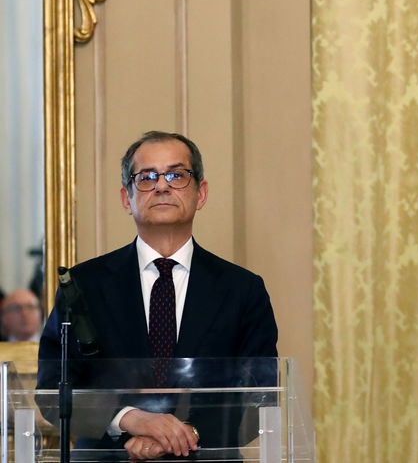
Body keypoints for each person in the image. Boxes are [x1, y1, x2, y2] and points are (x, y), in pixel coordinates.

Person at [38, 131, 279, 460]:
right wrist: (130, 420)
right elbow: (53, 388)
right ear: (127, 198)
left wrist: (183, 435)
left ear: (201, 193)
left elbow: (259, 395)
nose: (162, 186)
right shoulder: (83, 284)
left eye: (177, 175)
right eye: (147, 177)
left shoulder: (242, 289)